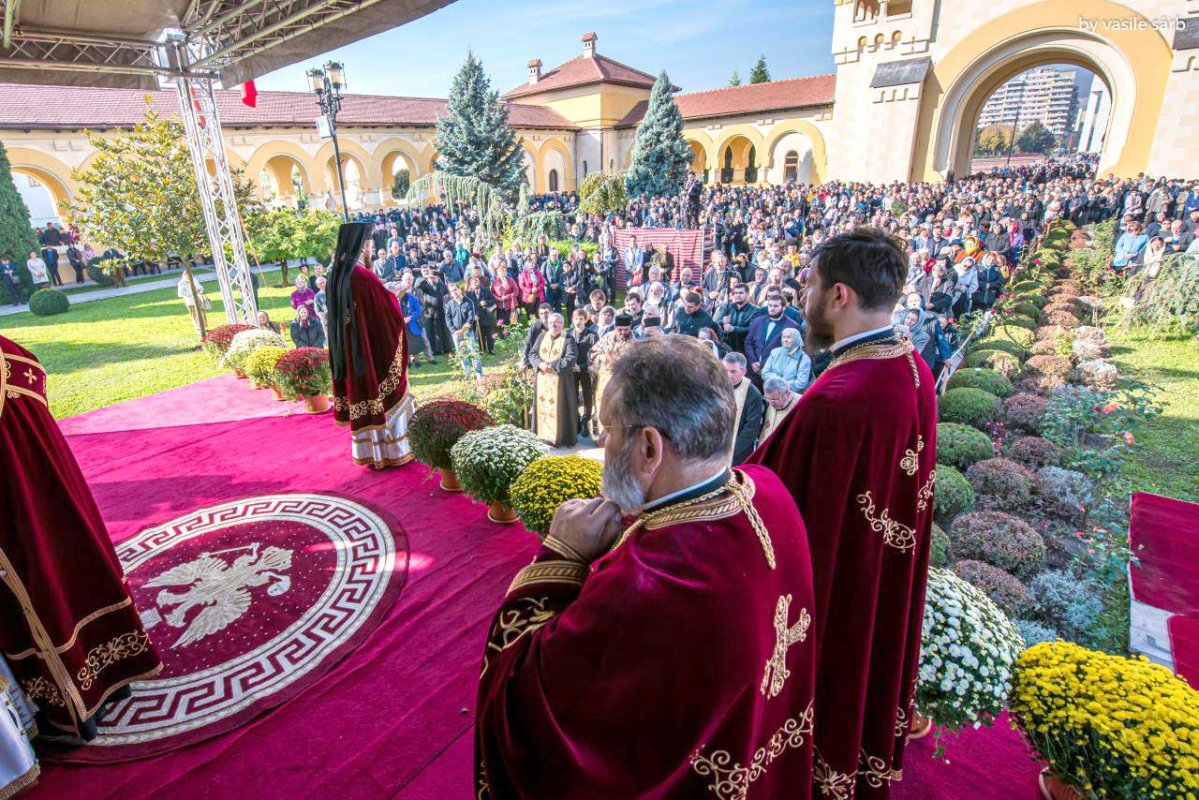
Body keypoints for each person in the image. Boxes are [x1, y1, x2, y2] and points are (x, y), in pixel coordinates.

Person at [476, 335, 816, 800]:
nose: (601, 442)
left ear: (650, 448)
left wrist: (561, 554)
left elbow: (521, 703)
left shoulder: (651, 581)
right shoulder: (770, 492)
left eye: (609, 430)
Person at [749, 228, 937, 799]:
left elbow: (760, 491)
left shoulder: (838, 400)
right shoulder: (911, 367)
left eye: (809, 284)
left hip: (837, 595)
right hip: (876, 578)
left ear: (839, 296)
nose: (801, 296)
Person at [0, 334, 164, 740]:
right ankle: (117, 676)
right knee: (73, 571)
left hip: (14, 516)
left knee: (41, 591)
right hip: (54, 497)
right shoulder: (9, 350)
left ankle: (74, 707)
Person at [327, 222, 415, 469]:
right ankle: (390, 453)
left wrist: (383, 292)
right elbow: (384, 310)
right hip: (368, 352)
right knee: (378, 393)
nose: (372, 251)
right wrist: (397, 292)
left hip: (349, 350)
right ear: (363, 245)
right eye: (370, 246)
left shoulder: (336, 272)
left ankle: (369, 454)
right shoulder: (360, 275)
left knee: (360, 392)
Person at [529, 313, 578, 447]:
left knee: (560, 409)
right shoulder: (541, 336)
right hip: (542, 380)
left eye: (557, 323)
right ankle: (542, 436)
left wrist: (552, 366)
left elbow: (571, 357)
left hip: (560, 381)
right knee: (542, 406)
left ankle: (560, 438)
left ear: (563, 324)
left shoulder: (568, 339)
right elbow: (532, 354)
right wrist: (540, 364)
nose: (554, 325)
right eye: (551, 323)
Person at [588, 313, 635, 440]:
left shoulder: (634, 343)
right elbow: (593, 352)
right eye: (620, 329)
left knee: (617, 407)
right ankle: (602, 436)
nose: (623, 332)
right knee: (602, 405)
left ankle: (616, 437)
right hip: (603, 380)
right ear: (615, 327)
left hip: (621, 382)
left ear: (630, 327)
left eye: (626, 329)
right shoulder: (608, 337)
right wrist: (602, 357)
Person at [744, 295, 801, 386]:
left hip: (774, 373)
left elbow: (787, 351)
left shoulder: (792, 326)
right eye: (770, 305)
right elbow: (748, 342)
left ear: (784, 307)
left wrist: (762, 364)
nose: (771, 308)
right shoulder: (757, 321)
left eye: (775, 306)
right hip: (752, 371)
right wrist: (753, 362)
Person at [723, 352, 764, 466]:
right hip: (715, 449)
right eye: (725, 370)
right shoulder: (717, 387)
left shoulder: (753, 394)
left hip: (738, 453)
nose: (728, 375)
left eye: (733, 371)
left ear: (744, 371)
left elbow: (751, 429)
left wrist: (729, 451)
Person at [445, 281, 483, 382]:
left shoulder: (468, 301)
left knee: (474, 353)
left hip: (467, 332)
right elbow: (448, 319)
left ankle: (479, 374)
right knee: (462, 354)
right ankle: (468, 374)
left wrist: (464, 330)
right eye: (452, 291)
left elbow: (470, 318)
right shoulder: (449, 304)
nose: (454, 293)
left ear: (459, 289)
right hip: (456, 334)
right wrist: (454, 331)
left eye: (456, 290)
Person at [762, 327, 812, 393]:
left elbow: (801, 383)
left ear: (796, 339)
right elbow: (764, 373)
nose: (785, 340)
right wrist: (779, 380)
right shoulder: (774, 352)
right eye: (784, 337)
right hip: (772, 393)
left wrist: (781, 386)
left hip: (791, 394)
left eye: (789, 337)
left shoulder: (804, 359)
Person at [415, 269, 451, 355]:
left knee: (444, 332)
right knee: (432, 332)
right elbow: (417, 287)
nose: (431, 279)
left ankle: (447, 348)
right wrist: (425, 277)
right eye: (430, 278)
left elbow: (448, 296)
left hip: (442, 312)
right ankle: (435, 350)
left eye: (433, 277)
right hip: (430, 313)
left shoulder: (443, 286)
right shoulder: (426, 286)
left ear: (438, 278)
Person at [760, 376, 799, 443]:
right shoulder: (768, 403)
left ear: (787, 393)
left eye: (774, 399)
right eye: (767, 398)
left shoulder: (800, 405)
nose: (771, 403)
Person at [177, 271, 210, 337]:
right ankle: (198, 327)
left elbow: (200, 287)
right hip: (191, 301)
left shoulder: (194, 280)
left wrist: (199, 290)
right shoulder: (181, 283)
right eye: (188, 275)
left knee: (202, 312)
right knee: (194, 314)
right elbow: (181, 294)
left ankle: (203, 326)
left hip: (199, 299)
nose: (189, 276)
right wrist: (192, 292)